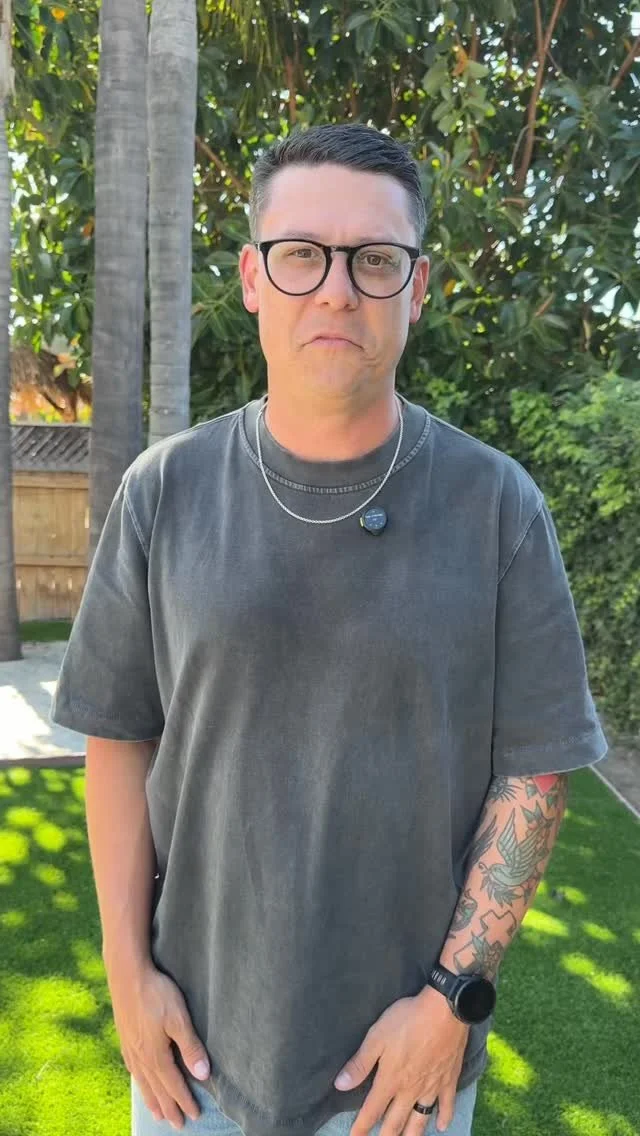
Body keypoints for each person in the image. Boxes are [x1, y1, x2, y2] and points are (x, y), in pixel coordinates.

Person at [50, 123, 608, 1136]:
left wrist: (451, 1002)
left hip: (404, 1073)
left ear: (418, 286)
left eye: (375, 260)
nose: (337, 290)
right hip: (190, 1060)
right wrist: (127, 978)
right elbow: (118, 740)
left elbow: (535, 774)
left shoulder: (497, 508)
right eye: (302, 253)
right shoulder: (163, 493)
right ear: (252, 277)